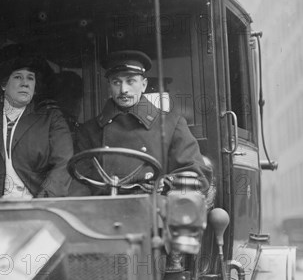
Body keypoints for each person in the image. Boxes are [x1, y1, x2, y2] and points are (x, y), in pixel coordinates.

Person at [72, 50, 211, 195]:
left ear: (144, 85)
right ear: (109, 87)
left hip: (154, 211)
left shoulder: (172, 124)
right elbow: (79, 182)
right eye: (116, 82)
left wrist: (167, 183)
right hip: (104, 211)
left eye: (130, 81)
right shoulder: (89, 130)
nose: (123, 90)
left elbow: (198, 176)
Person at [0, 55, 74, 200]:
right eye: (18, 77)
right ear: (3, 84)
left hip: (40, 212)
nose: (25, 83)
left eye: (30, 78)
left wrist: (41, 205)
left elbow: (63, 165)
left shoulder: (52, 120)